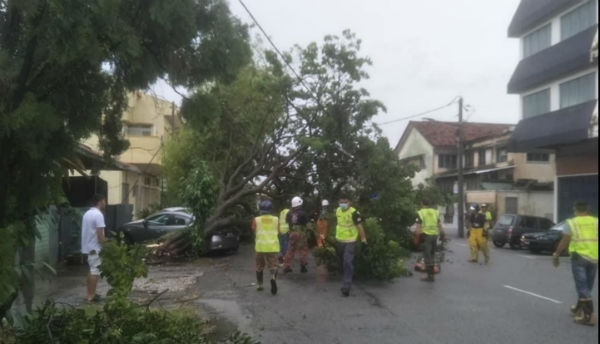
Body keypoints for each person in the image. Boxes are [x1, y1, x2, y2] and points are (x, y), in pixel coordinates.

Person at [552, 201, 598, 326]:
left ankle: (589, 317)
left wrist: (556, 254)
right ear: (588, 210)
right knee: (587, 286)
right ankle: (578, 308)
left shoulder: (572, 222)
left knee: (582, 287)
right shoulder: (596, 221)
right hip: (594, 257)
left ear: (575, 210)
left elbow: (565, 240)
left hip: (579, 257)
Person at [335, 196, 367, 297]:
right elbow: (339, 224)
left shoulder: (354, 213)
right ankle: (344, 278)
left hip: (350, 241)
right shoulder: (338, 210)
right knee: (341, 262)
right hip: (339, 240)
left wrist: (363, 239)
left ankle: (346, 286)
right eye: (341, 202)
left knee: (347, 261)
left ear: (350, 202)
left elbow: (360, 226)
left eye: (345, 202)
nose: (343, 204)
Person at [81, 194, 106, 303]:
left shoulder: (87, 213)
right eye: (104, 200)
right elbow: (100, 234)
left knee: (92, 270)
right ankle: (91, 296)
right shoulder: (98, 215)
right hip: (95, 247)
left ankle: (90, 293)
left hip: (88, 247)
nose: (105, 203)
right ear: (100, 201)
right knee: (94, 271)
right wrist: (106, 246)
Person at [252, 200, 280, 295]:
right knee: (273, 266)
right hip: (272, 247)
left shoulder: (256, 220)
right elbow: (278, 231)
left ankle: (260, 285)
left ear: (261, 209)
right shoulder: (276, 219)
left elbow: (254, 230)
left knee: (259, 266)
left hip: (260, 247)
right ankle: (272, 278)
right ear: (270, 209)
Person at [415, 199, 444, 282]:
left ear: (421, 203)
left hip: (426, 236)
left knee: (427, 256)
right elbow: (439, 225)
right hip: (434, 236)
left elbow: (418, 227)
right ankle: (431, 275)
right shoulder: (435, 212)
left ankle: (430, 276)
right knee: (432, 254)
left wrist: (416, 239)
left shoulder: (421, 212)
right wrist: (442, 234)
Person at [283, 196, 309, 273]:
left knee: (290, 249)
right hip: (301, 233)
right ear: (299, 204)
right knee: (302, 249)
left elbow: (287, 221)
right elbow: (306, 223)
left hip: (292, 233)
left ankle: (287, 266)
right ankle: (303, 266)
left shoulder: (289, 213)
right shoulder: (303, 213)